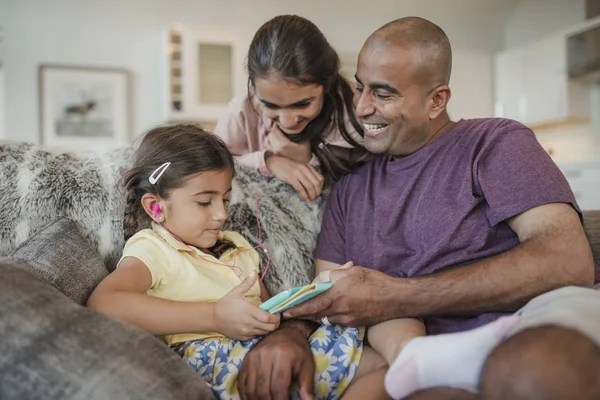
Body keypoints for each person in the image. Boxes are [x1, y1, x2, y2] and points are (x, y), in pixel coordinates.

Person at [238, 17, 600, 400]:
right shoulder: (347, 191)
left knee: (532, 372)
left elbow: (566, 261)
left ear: (436, 100)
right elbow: (326, 295)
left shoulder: (493, 142)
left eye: (384, 94)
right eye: (360, 87)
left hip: (536, 320)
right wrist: (291, 334)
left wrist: (395, 295)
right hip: (422, 357)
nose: (361, 108)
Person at [86, 124, 388, 400]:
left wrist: (319, 290)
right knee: (382, 372)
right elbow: (105, 303)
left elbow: (274, 314)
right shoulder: (154, 249)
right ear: (156, 206)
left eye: (225, 199)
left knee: (382, 361)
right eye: (205, 202)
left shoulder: (239, 247)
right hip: (215, 360)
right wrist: (215, 316)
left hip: (266, 346)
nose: (220, 214)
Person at [214, 15, 372, 203]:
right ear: (254, 88)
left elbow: (371, 184)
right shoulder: (242, 109)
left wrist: (309, 160)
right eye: (270, 105)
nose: (288, 121)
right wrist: (269, 162)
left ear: (327, 83)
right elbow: (209, 167)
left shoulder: (360, 111)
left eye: (303, 104)